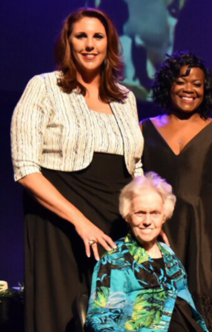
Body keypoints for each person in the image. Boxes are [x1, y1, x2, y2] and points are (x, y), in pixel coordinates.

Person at [10, 8, 143, 332]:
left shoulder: (125, 98)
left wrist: (145, 212)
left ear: (109, 44)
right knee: (62, 315)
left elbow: (135, 166)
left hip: (114, 221)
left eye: (97, 36)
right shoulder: (43, 87)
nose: (89, 44)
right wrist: (79, 221)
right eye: (80, 36)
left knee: (118, 318)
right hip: (59, 222)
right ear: (68, 42)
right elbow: (26, 168)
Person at [141, 51, 212, 332]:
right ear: (168, 84)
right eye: (182, 81)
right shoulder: (144, 130)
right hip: (159, 240)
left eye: (198, 84)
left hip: (208, 244)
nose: (190, 89)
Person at [86, 172, 208, 332]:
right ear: (128, 216)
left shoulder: (169, 255)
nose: (147, 221)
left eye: (155, 213)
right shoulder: (115, 259)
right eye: (140, 213)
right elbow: (99, 319)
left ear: (164, 216)